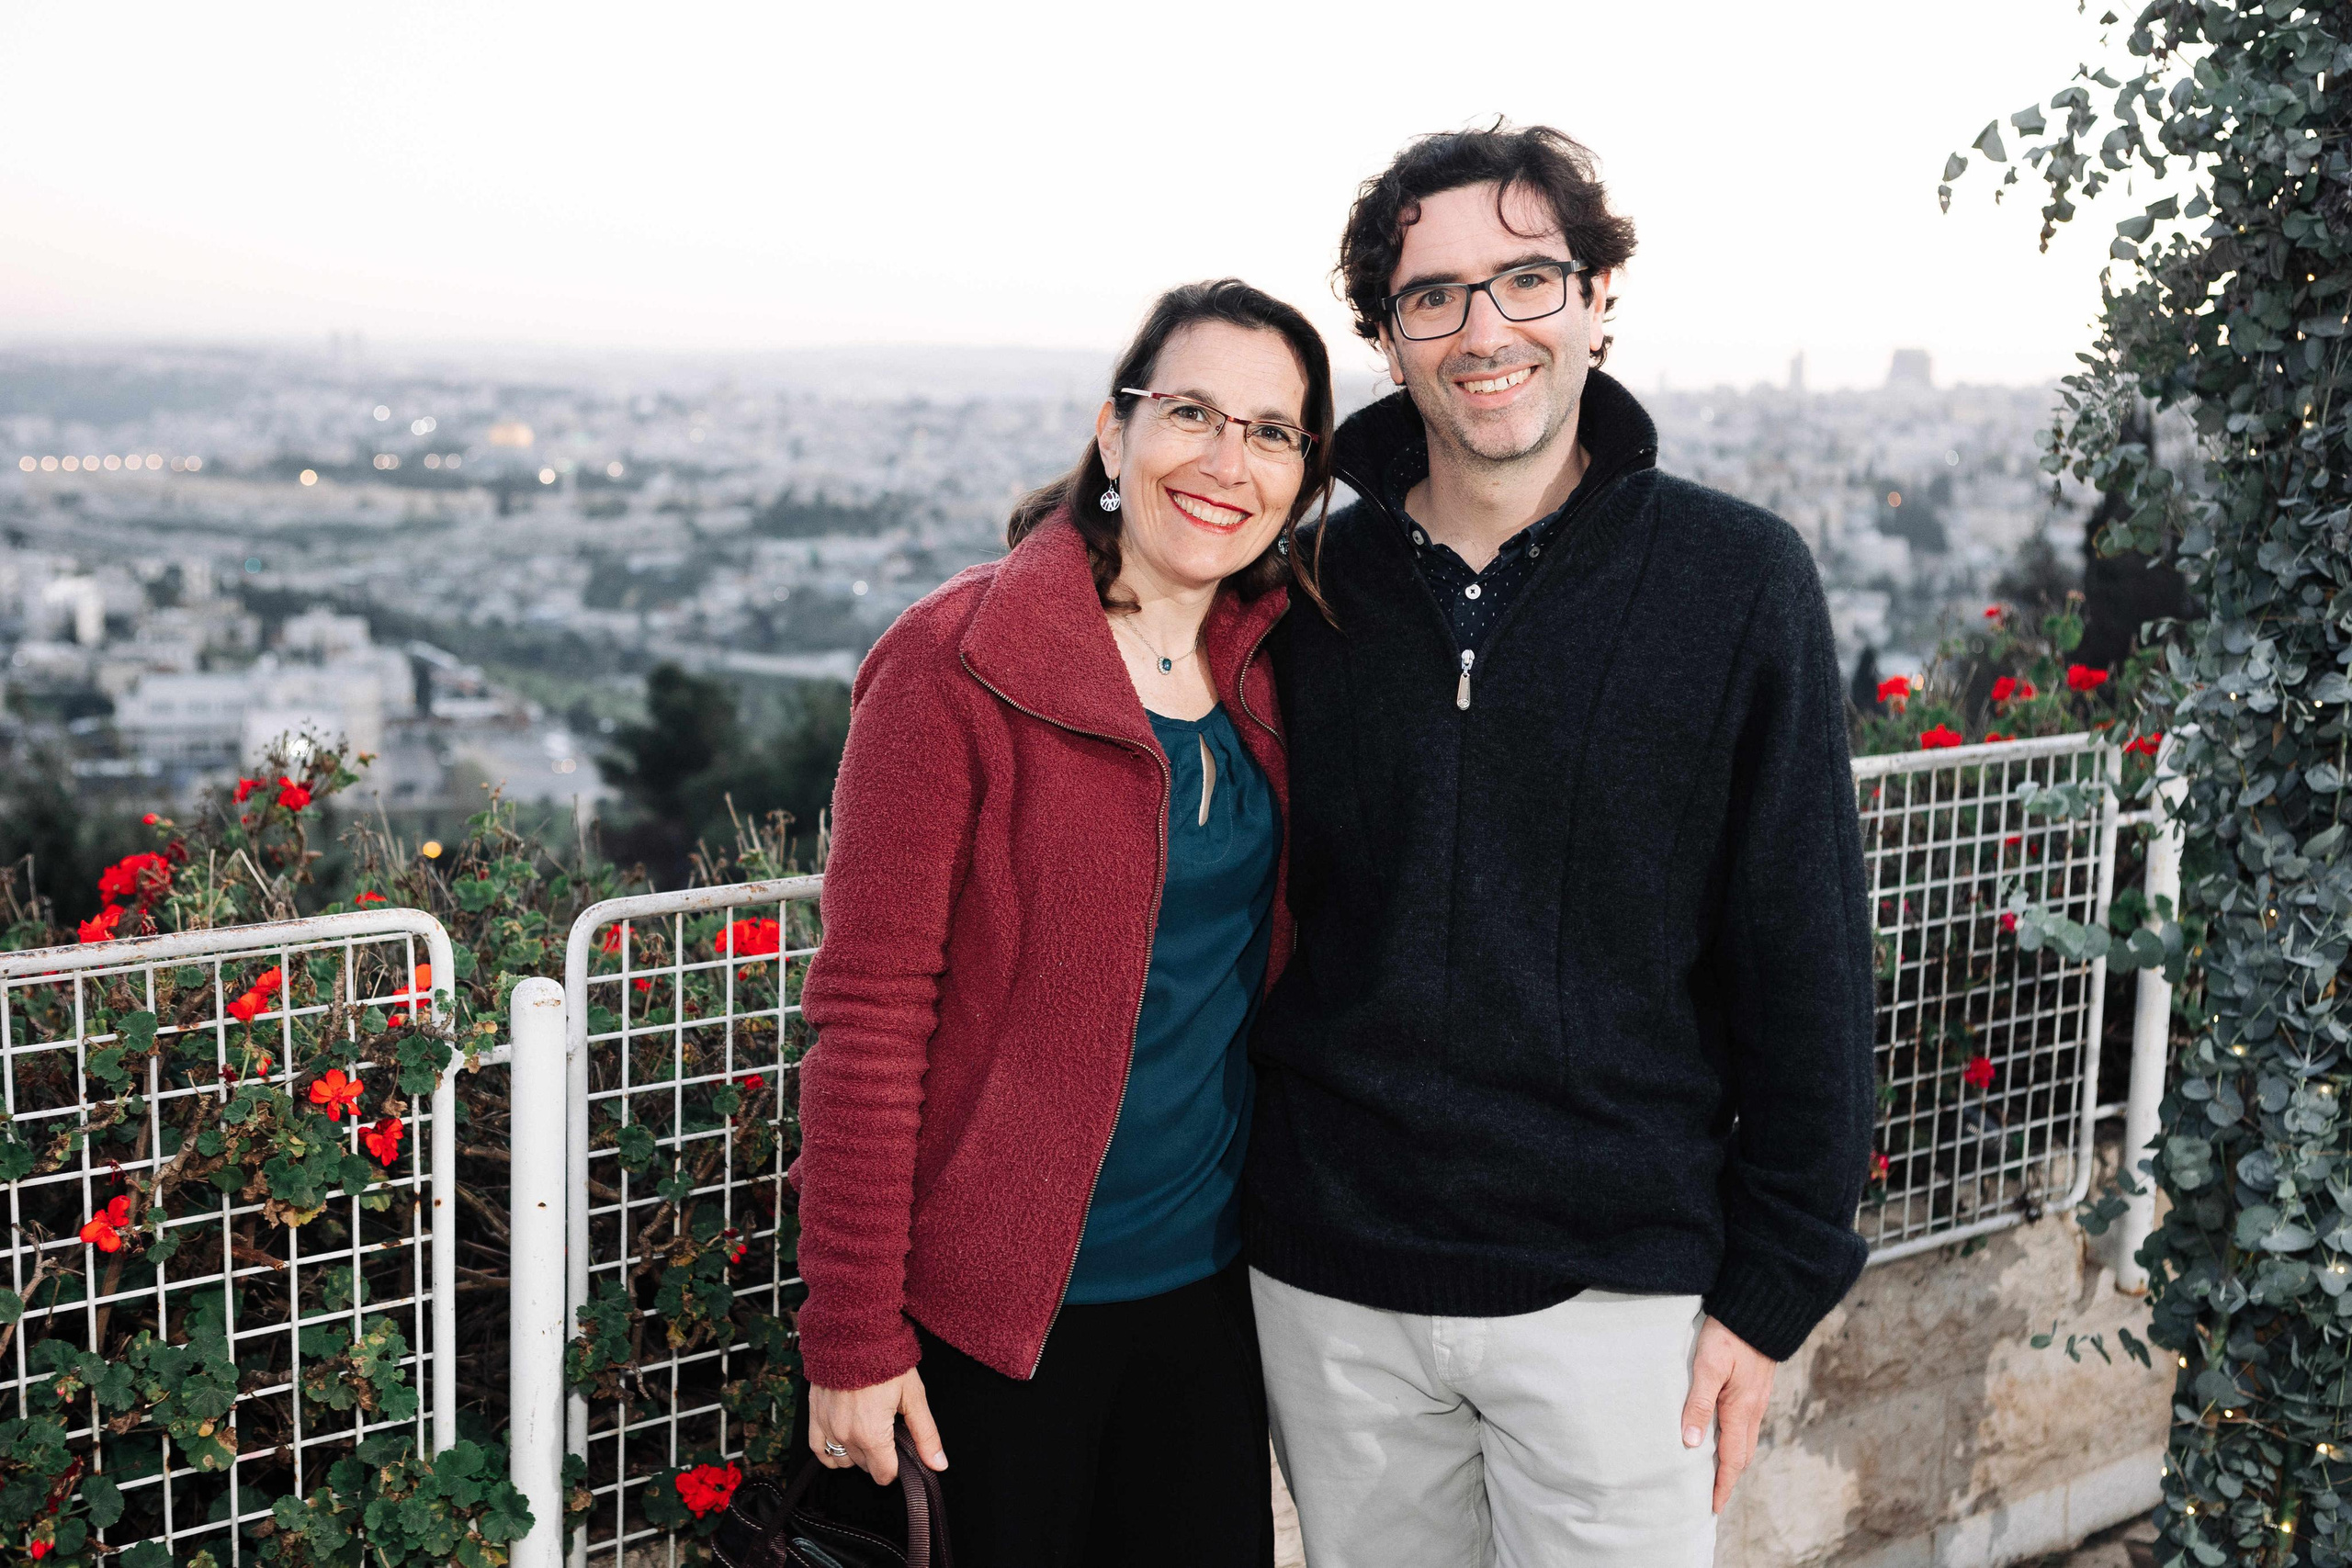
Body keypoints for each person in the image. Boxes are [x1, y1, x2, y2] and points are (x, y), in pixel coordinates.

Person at [1245, 123, 1875, 1566]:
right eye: (1435, 296)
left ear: (1598, 298)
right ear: (1388, 341)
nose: (1486, 330)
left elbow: (1809, 962)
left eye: (1529, 278)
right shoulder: (1306, 588)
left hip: (1619, 1302)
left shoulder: (1738, 581)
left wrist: (1773, 1287)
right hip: (1337, 1286)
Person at [793, 278, 1336, 1568]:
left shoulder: (1279, 661)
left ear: (1303, 475)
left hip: (1211, 1294)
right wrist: (855, 1337)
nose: (1227, 461)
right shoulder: (956, 663)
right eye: (1192, 413)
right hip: (993, 1319)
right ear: (1112, 430)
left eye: (1272, 432)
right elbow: (868, 1015)